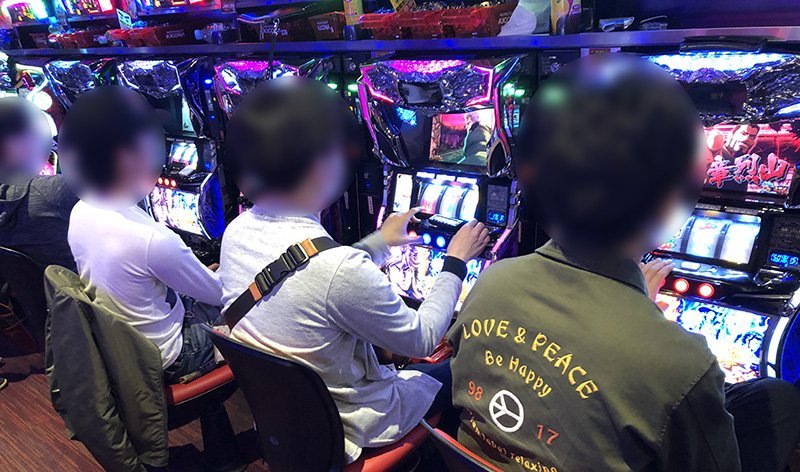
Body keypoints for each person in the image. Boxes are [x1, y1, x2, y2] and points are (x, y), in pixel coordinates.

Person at [447, 54, 800, 472]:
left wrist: (630, 308)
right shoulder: (681, 362)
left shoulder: (492, 282)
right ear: (671, 203)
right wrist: (640, 321)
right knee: (780, 401)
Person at [218, 77, 489, 463]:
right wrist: (456, 263)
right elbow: (422, 339)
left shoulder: (237, 231)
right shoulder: (338, 270)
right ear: (322, 166)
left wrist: (382, 240)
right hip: (354, 422)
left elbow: (312, 270)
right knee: (468, 365)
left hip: (294, 417)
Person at [59, 86, 223, 383]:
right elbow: (220, 294)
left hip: (126, 345)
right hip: (170, 357)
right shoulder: (152, 240)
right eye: (149, 139)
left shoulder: (81, 211)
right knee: (245, 307)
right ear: (126, 156)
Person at [0, 96, 78, 271]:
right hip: (86, 284)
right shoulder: (55, 192)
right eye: (34, 133)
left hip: (34, 287)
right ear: (12, 145)